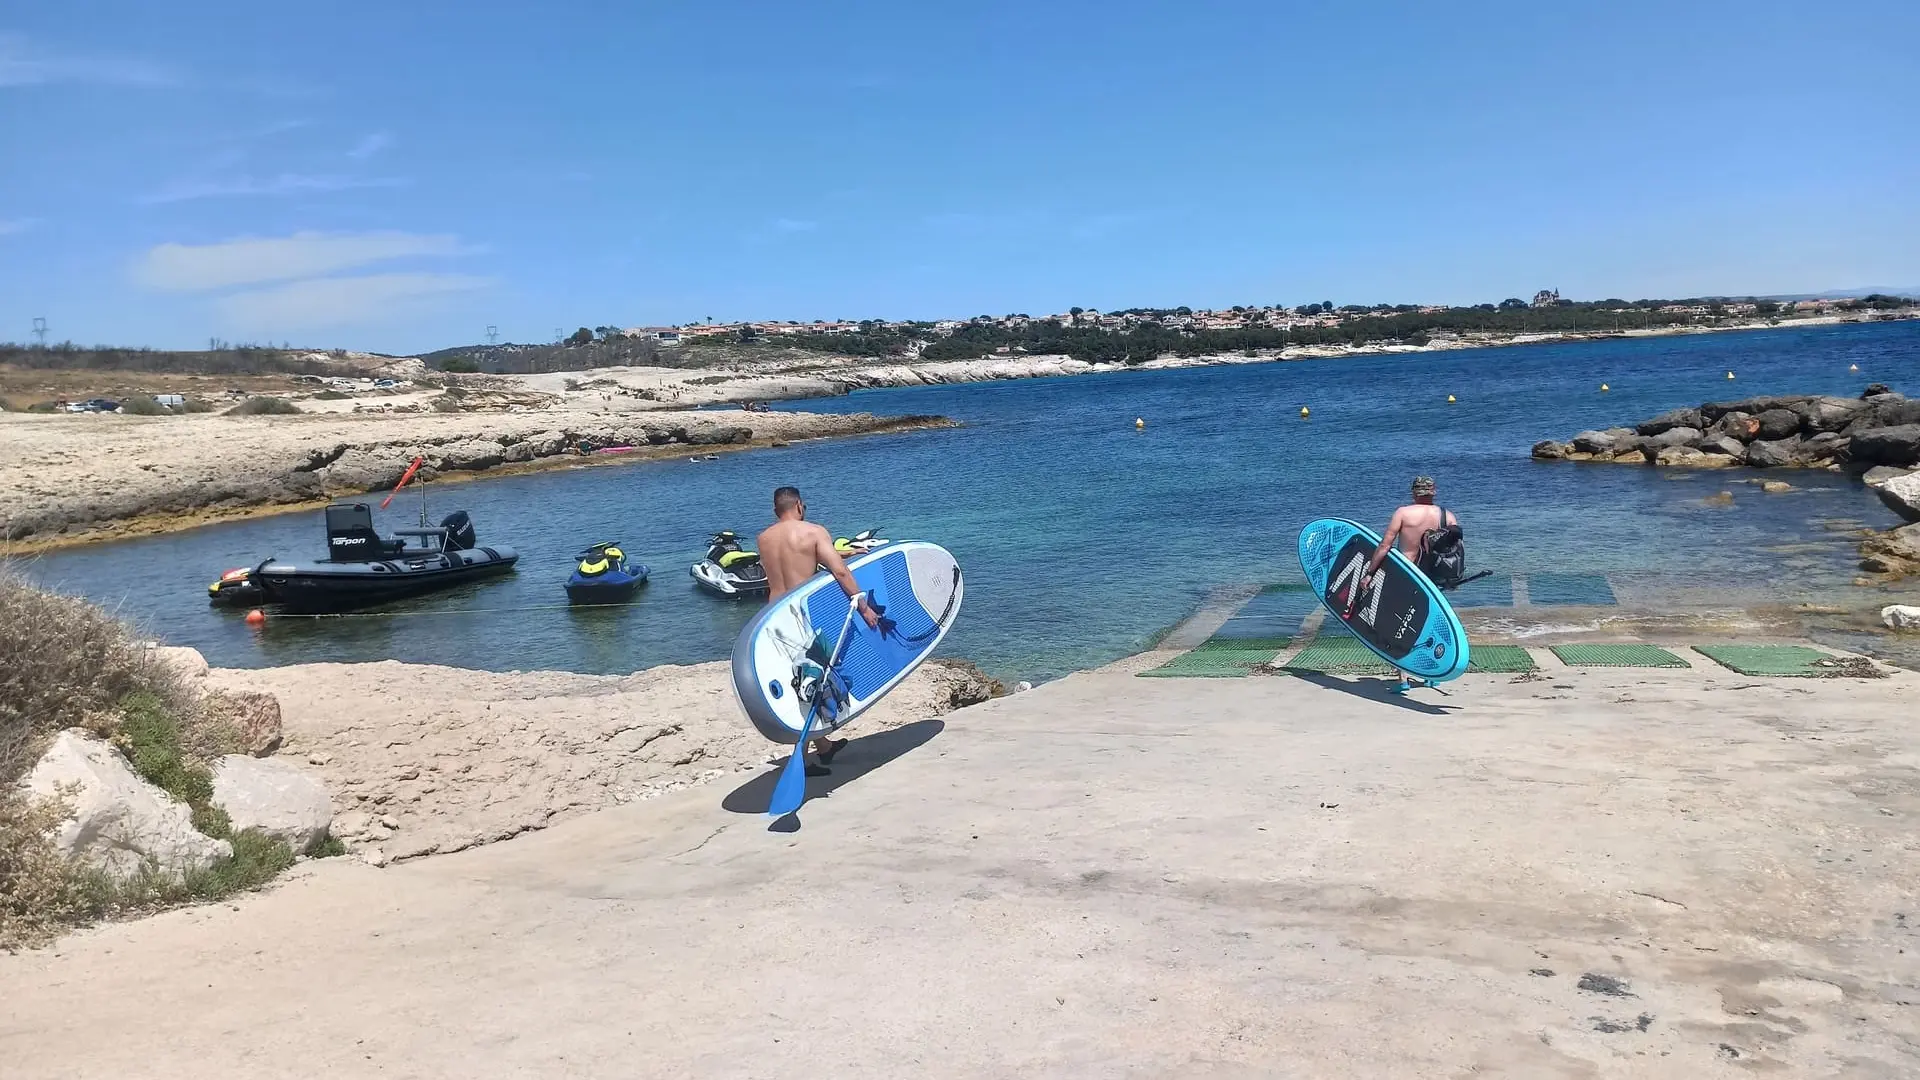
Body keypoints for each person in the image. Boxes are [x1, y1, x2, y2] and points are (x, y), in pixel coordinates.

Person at [757, 486, 881, 776]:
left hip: (772, 618)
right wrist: (863, 607)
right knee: (811, 684)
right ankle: (800, 763)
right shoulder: (813, 532)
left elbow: (789, 563)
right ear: (800, 505)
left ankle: (824, 747)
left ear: (776, 510)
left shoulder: (764, 538)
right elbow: (840, 571)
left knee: (797, 681)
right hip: (800, 617)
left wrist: (846, 551)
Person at [1360, 476, 1459, 691]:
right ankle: (1430, 674)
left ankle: (1403, 678)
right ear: (1433, 491)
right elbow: (1455, 551)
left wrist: (1369, 573)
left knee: (1397, 624)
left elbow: (1385, 546)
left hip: (1406, 575)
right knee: (1429, 623)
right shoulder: (1448, 516)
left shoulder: (1403, 513)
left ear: (1414, 493)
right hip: (1432, 577)